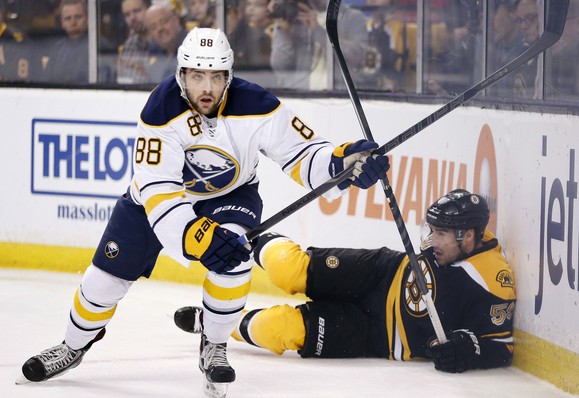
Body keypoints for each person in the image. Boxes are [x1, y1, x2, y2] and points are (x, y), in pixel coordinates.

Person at [19, 27, 389, 398]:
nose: (207, 87)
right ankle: (72, 346)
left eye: (215, 76)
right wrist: (191, 235)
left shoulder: (258, 104)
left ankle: (214, 344)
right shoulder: (160, 110)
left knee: (233, 259)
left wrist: (343, 163)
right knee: (103, 281)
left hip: (231, 194)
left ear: (229, 76)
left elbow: (304, 155)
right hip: (154, 202)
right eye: (197, 76)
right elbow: (158, 189)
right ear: (182, 75)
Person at [175, 189, 516, 373]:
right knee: (286, 268)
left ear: (467, 236)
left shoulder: (492, 281)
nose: (432, 240)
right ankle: (242, 239)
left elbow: (500, 348)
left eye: (441, 234)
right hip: (379, 272)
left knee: (280, 328)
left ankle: (217, 322)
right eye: (433, 230)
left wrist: (467, 350)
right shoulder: (451, 242)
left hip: (378, 336)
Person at [269, 0, 368, 90]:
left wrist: (317, 31)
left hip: (339, 96)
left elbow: (358, 57)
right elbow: (280, 66)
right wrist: (283, 31)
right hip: (301, 96)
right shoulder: (294, 16)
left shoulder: (353, 17)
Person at [41, 0, 90, 83]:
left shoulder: (98, 46)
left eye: (78, 17)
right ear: (62, 23)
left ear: (87, 19)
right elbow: (47, 81)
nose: (73, 23)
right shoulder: (56, 50)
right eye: (68, 18)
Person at [143, 2, 188, 82]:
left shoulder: (194, 47)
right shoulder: (152, 53)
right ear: (150, 34)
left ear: (176, 20)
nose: (160, 28)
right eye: (153, 27)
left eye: (163, 22)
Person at [116, 0, 153, 84]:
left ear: (150, 9)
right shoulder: (129, 45)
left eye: (136, 11)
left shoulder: (164, 42)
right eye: (127, 15)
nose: (132, 18)